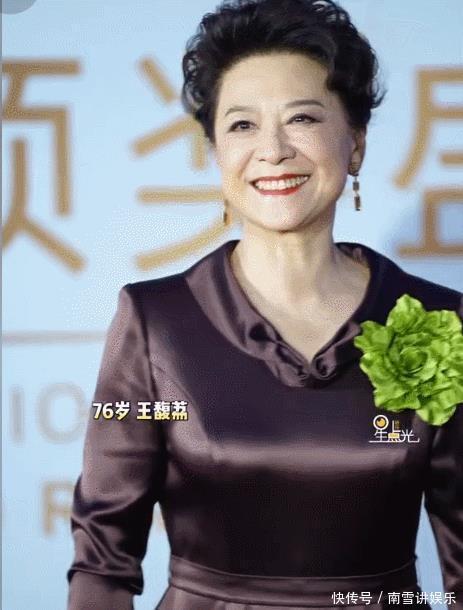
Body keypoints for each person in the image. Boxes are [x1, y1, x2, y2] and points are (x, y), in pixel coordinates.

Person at [66, 0, 463, 608]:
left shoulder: (440, 322)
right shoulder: (154, 322)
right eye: (242, 126)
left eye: (302, 118)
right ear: (216, 153)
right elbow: (103, 552)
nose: (273, 149)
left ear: (355, 143)